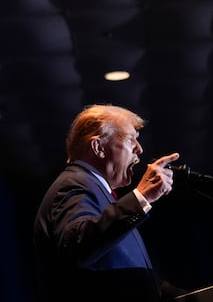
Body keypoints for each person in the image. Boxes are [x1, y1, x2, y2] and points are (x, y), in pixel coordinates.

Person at [33, 104, 184, 302]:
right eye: (131, 140)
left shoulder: (99, 191)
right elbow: (78, 245)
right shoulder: (74, 184)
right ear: (98, 148)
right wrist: (141, 196)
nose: (139, 149)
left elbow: (115, 269)